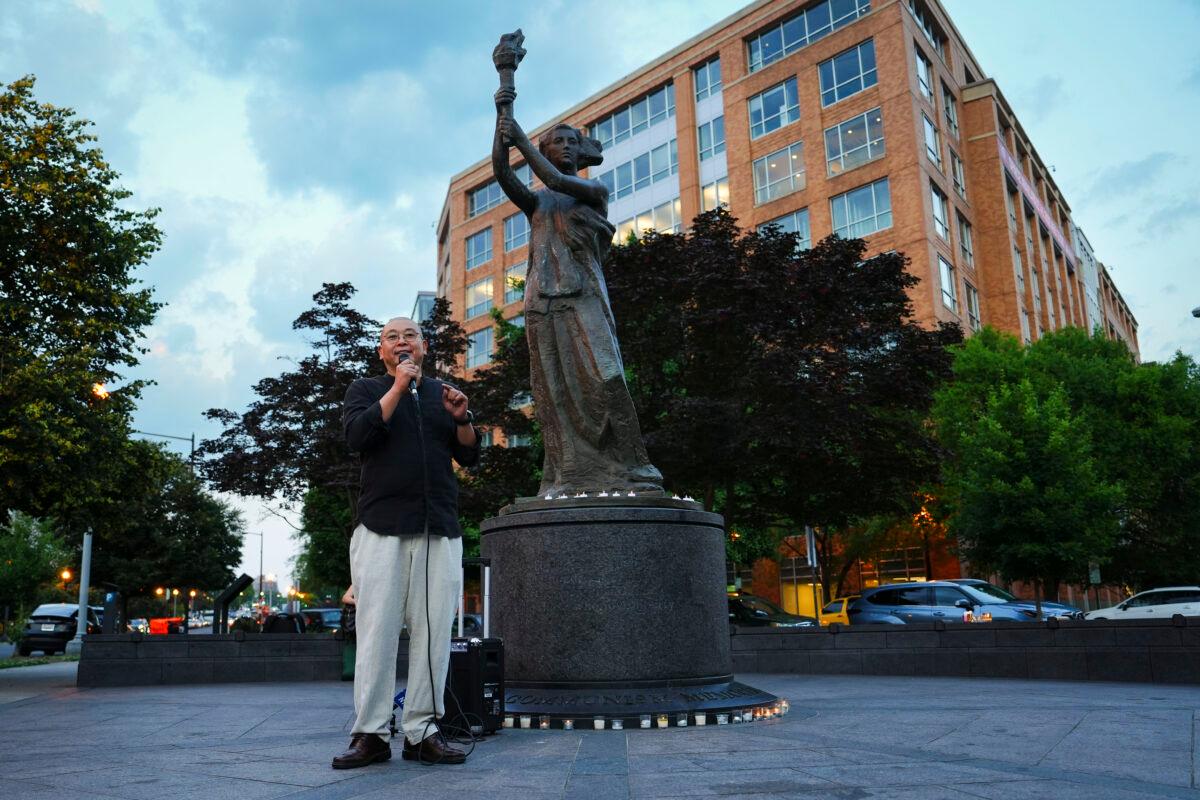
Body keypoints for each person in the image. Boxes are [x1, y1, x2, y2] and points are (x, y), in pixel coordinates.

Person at [492, 89, 662, 497]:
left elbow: (552, 177)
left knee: (608, 377)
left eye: (572, 141)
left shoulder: (594, 191)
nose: (565, 147)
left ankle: (636, 466)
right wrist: (504, 105)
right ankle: (566, 472)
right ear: (547, 150)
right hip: (542, 302)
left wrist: (521, 139)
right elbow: (502, 171)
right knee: (552, 389)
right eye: (557, 143)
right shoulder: (536, 202)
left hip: (583, 296)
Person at [332, 317, 479, 769]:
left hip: (438, 529)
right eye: (392, 337)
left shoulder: (442, 394)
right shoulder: (365, 388)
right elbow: (358, 437)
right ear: (382, 351)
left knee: (434, 634)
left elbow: (470, 454)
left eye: (410, 336)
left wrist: (463, 419)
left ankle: (422, 731)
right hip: (381, 528)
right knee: (376, 634)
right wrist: (396, 387)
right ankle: (371, 734)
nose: (402, 342)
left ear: (425, 346)